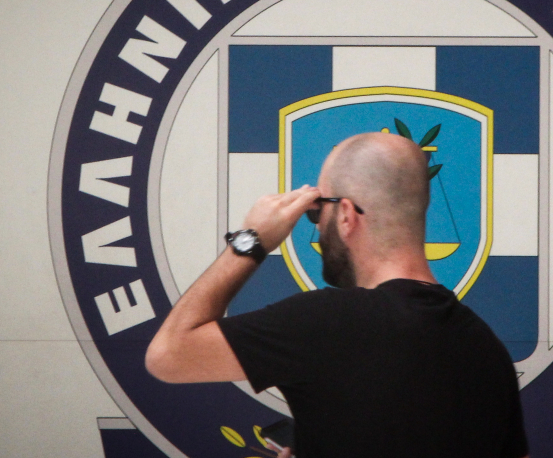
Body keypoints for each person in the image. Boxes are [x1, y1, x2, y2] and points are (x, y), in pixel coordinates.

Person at [146, 132, 529, 458]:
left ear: (346, 215)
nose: (317, 227)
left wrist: (251, 241)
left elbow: (168, 355)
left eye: (318, 212)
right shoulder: (487, 350)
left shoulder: (325, 322)